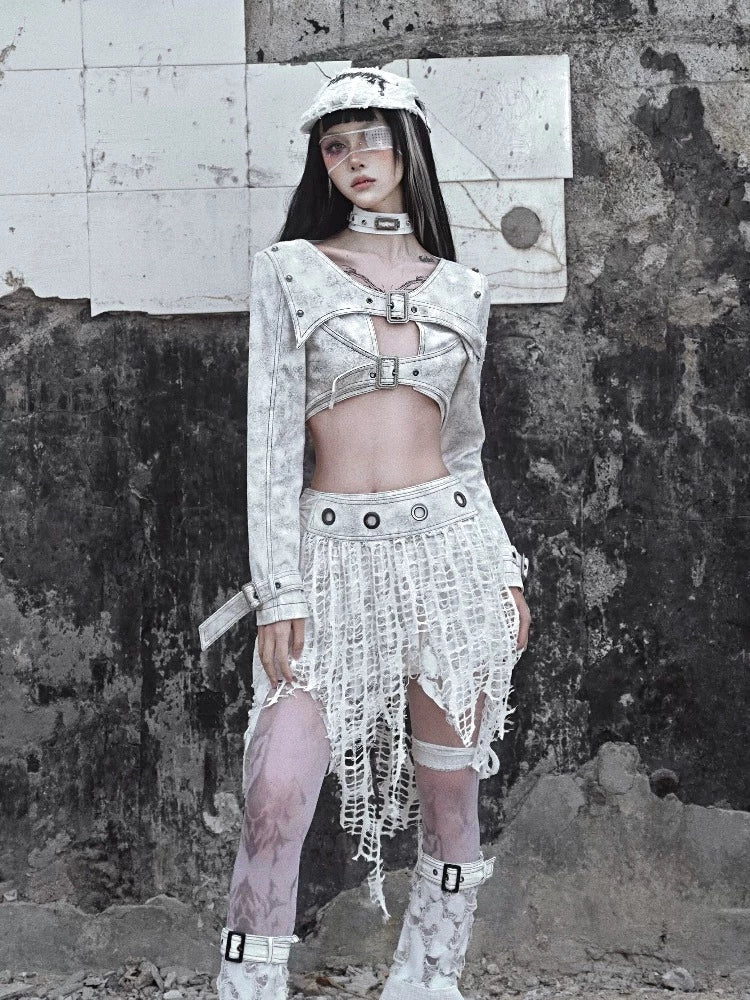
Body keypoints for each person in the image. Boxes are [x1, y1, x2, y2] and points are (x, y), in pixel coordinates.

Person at [198, 66, 532, 1000]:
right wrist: (279, 592)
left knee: (452, 796)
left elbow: (464, 450)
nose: (353, 157)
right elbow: (272, 444)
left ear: (409, 147)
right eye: (334, 144)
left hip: (451, 559)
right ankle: (247, 990)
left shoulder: (465, 288)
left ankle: (430, 981)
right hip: (328, 566)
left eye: (371, 138)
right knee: (276, 791)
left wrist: (504, 574)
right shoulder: (290, 270)